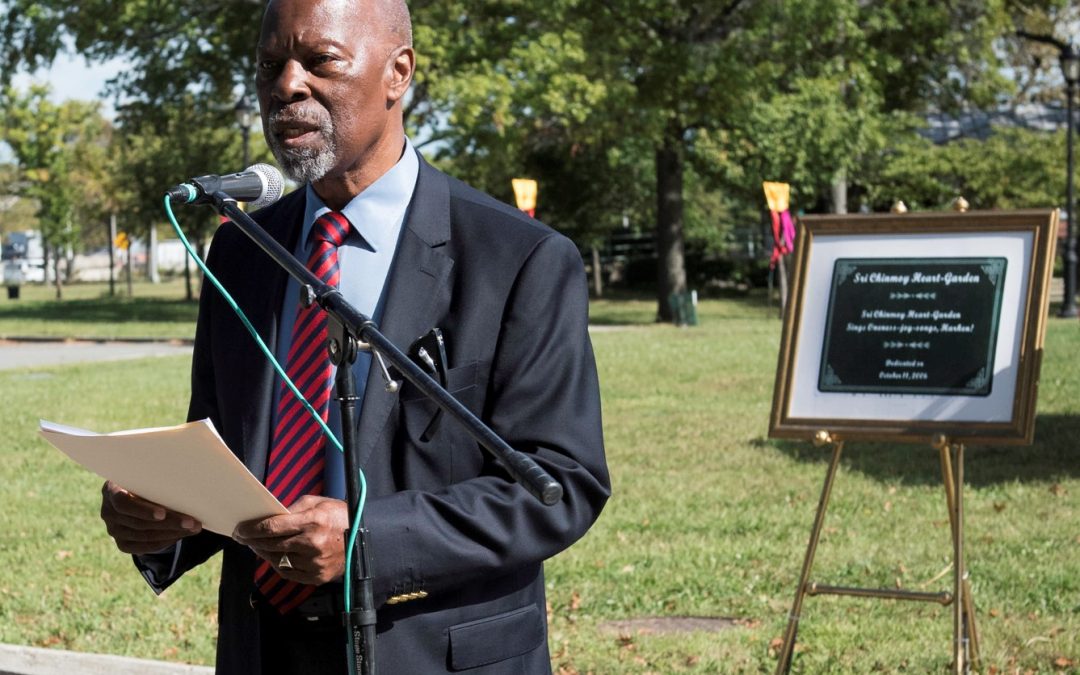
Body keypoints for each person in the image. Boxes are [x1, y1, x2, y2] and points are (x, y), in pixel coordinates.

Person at [98, 0, 610, 673]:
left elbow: (562, 483)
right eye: (269, 66)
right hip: (266, 647)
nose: (287, 85)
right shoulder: (243, 253)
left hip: (434, 650)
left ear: (398, 73)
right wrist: (164, 517)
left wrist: (368, 541)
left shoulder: (518, 259)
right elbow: (227, 448)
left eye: (320, 62)